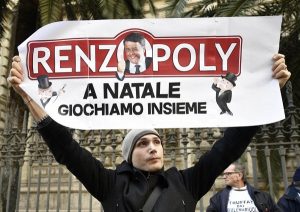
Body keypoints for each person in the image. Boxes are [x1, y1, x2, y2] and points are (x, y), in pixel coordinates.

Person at [7, 53, 290, 211]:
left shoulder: (186, 183)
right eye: (142, 143)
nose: (153, 147)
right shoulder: (110, 184)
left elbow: (229, 146)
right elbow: (68, 150)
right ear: (130, 154)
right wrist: (28, 96)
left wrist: (267, 94)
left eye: (156, 141)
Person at [206, 161, 282, 211]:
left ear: (239, 175)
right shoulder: (218, 199)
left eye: (228, 174)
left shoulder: (262, 196)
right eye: (224, 174)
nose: (224, 177)